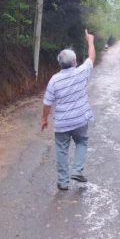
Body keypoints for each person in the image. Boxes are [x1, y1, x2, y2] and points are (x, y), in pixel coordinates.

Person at [41, 29, 96, 190]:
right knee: (82, 142)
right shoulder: (81, 72)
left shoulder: (54, 80)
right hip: (80, 120)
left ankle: (63, 182)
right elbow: (92, 57)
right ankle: (78, 171)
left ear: (60, 64)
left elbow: (47, 103)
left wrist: (44, 119)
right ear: (75, 62)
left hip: (62, 123)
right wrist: (90, 40)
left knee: (61, 150)